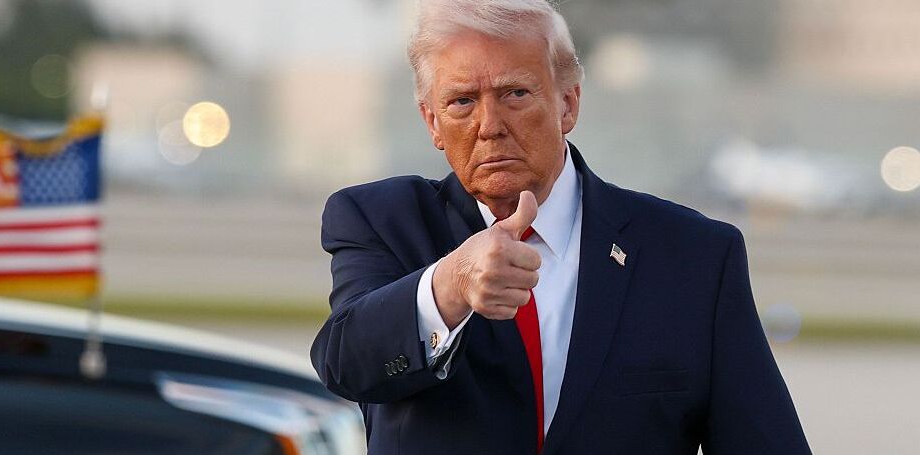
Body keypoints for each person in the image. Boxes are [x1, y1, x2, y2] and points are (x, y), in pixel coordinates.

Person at [310, 0, 811, 453]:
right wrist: (452, 284)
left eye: (515, 93)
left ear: (568, 104)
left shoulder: (693, 257)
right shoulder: (381, 221)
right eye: (462, 101)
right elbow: (346, 364)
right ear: (432, 122)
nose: (489, 124)